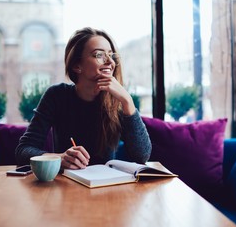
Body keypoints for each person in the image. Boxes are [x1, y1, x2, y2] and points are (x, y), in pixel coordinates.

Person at [15, 27, 152, 170]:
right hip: (66, 185)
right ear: (76, 66)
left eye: (111, 55)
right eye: (99, 55)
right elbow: (23, 150)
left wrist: (127, 101)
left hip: (106, 185)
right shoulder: (56, 95)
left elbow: (142, 156)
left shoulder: (117, 100)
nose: (109, 62)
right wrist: (59, 158)